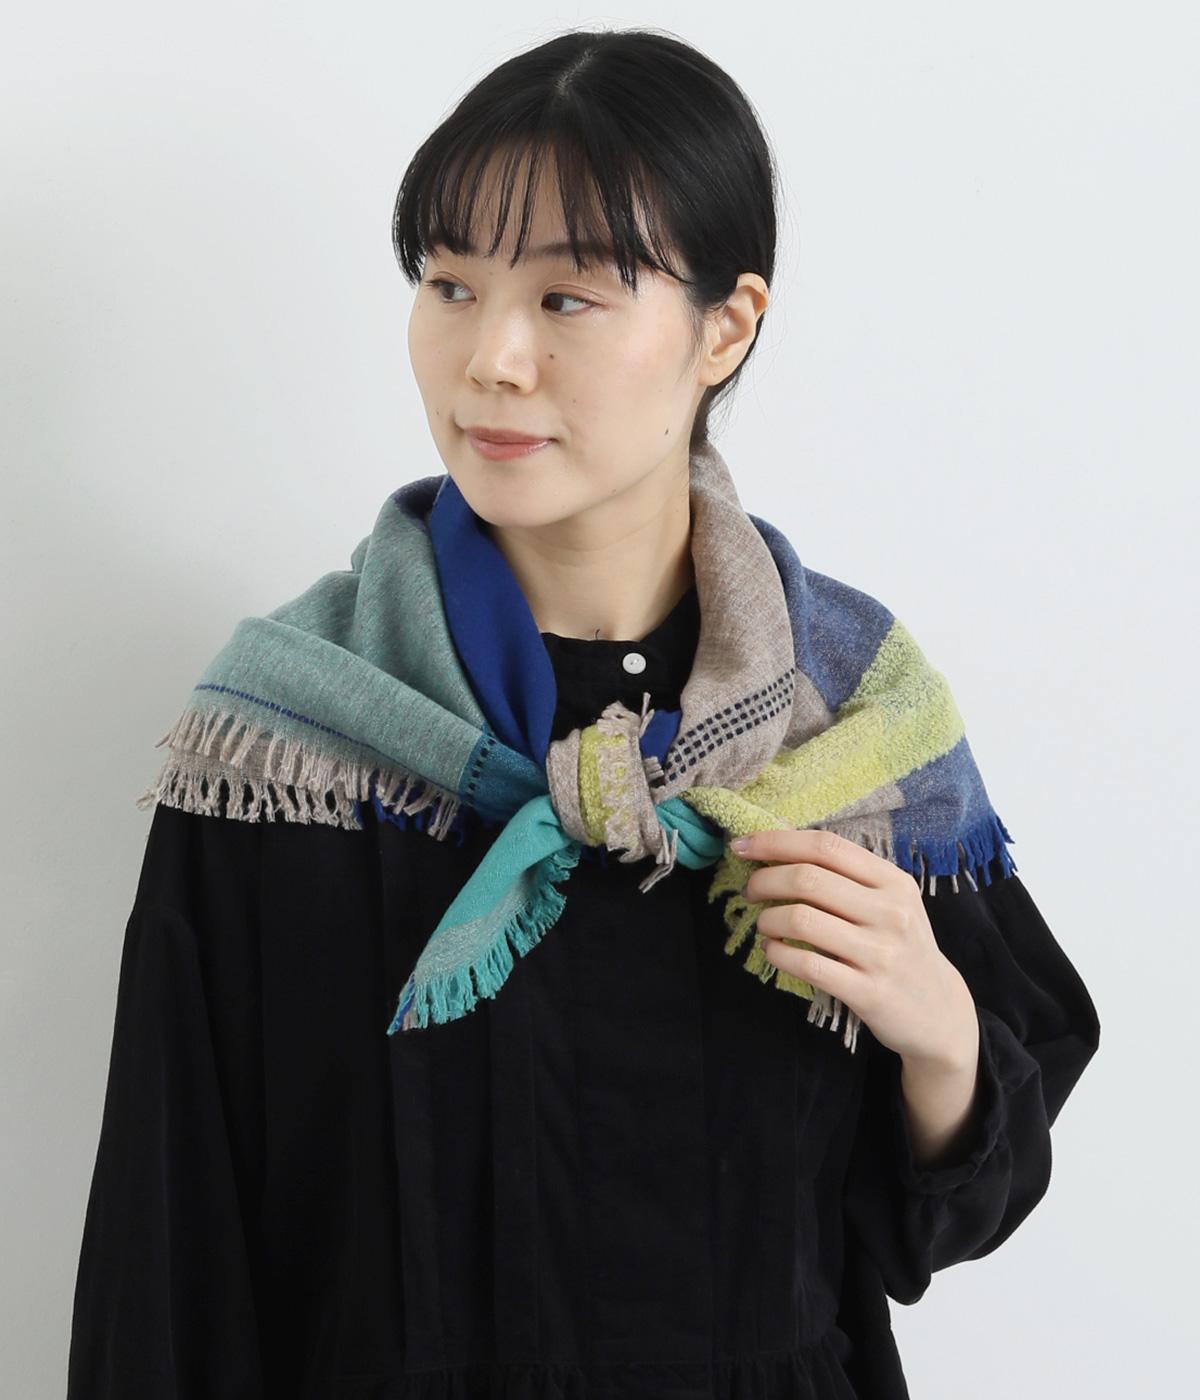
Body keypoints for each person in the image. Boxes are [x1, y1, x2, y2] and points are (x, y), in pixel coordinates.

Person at [66, 26, 1101, 1400]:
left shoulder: (849, 725)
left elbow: (942, 1219)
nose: (490, 358)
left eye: (566, 298)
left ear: (725, 327)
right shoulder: (289, 737)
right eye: (450, 284)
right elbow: (170, 1255)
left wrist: (943, 1038)